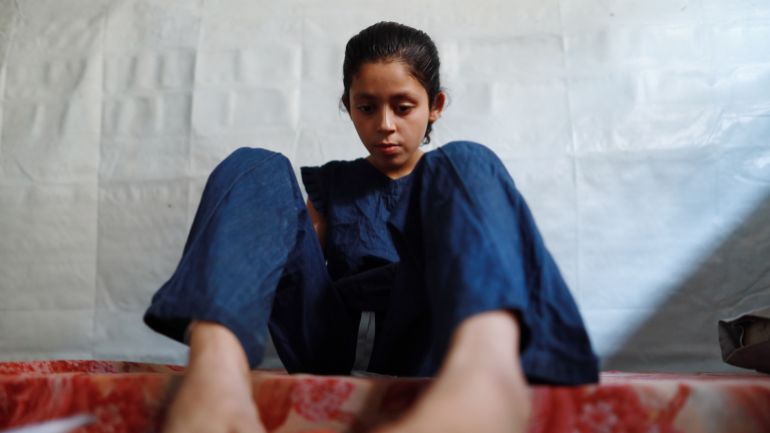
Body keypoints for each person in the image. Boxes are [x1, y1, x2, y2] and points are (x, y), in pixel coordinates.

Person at [144, 21, 599, 433]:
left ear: (435, 105)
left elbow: (483, 247)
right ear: (348, 106)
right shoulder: (333, 184)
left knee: (466, 160)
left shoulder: (449, 181)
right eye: (366, 107)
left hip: (424, 341)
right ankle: (215, 369)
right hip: (328, 344)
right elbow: (287, 268)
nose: (385, 125)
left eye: (403, 107)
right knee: (257, 165)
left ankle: (488, 378)